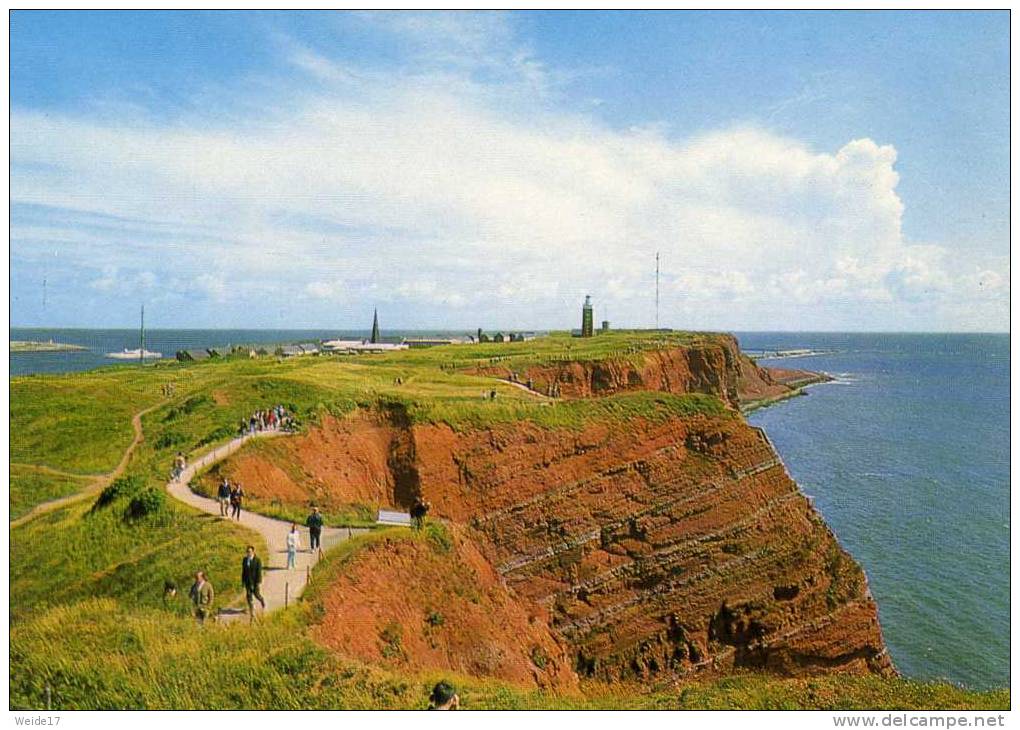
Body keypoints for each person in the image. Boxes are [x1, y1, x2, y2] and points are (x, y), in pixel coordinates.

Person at [241, 545, 266, 620]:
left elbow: (259, 572)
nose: (249, 553)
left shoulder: (257, 560)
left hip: (255, 582)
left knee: (256, 594)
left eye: (250, 552)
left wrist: (258, 582)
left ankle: (262, 601)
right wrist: (243, 581)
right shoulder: (245, 560)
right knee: (248, 596)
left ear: (253, 552)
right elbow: (244, 571)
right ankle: (251, 609)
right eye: (248, 552)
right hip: (248, 581)